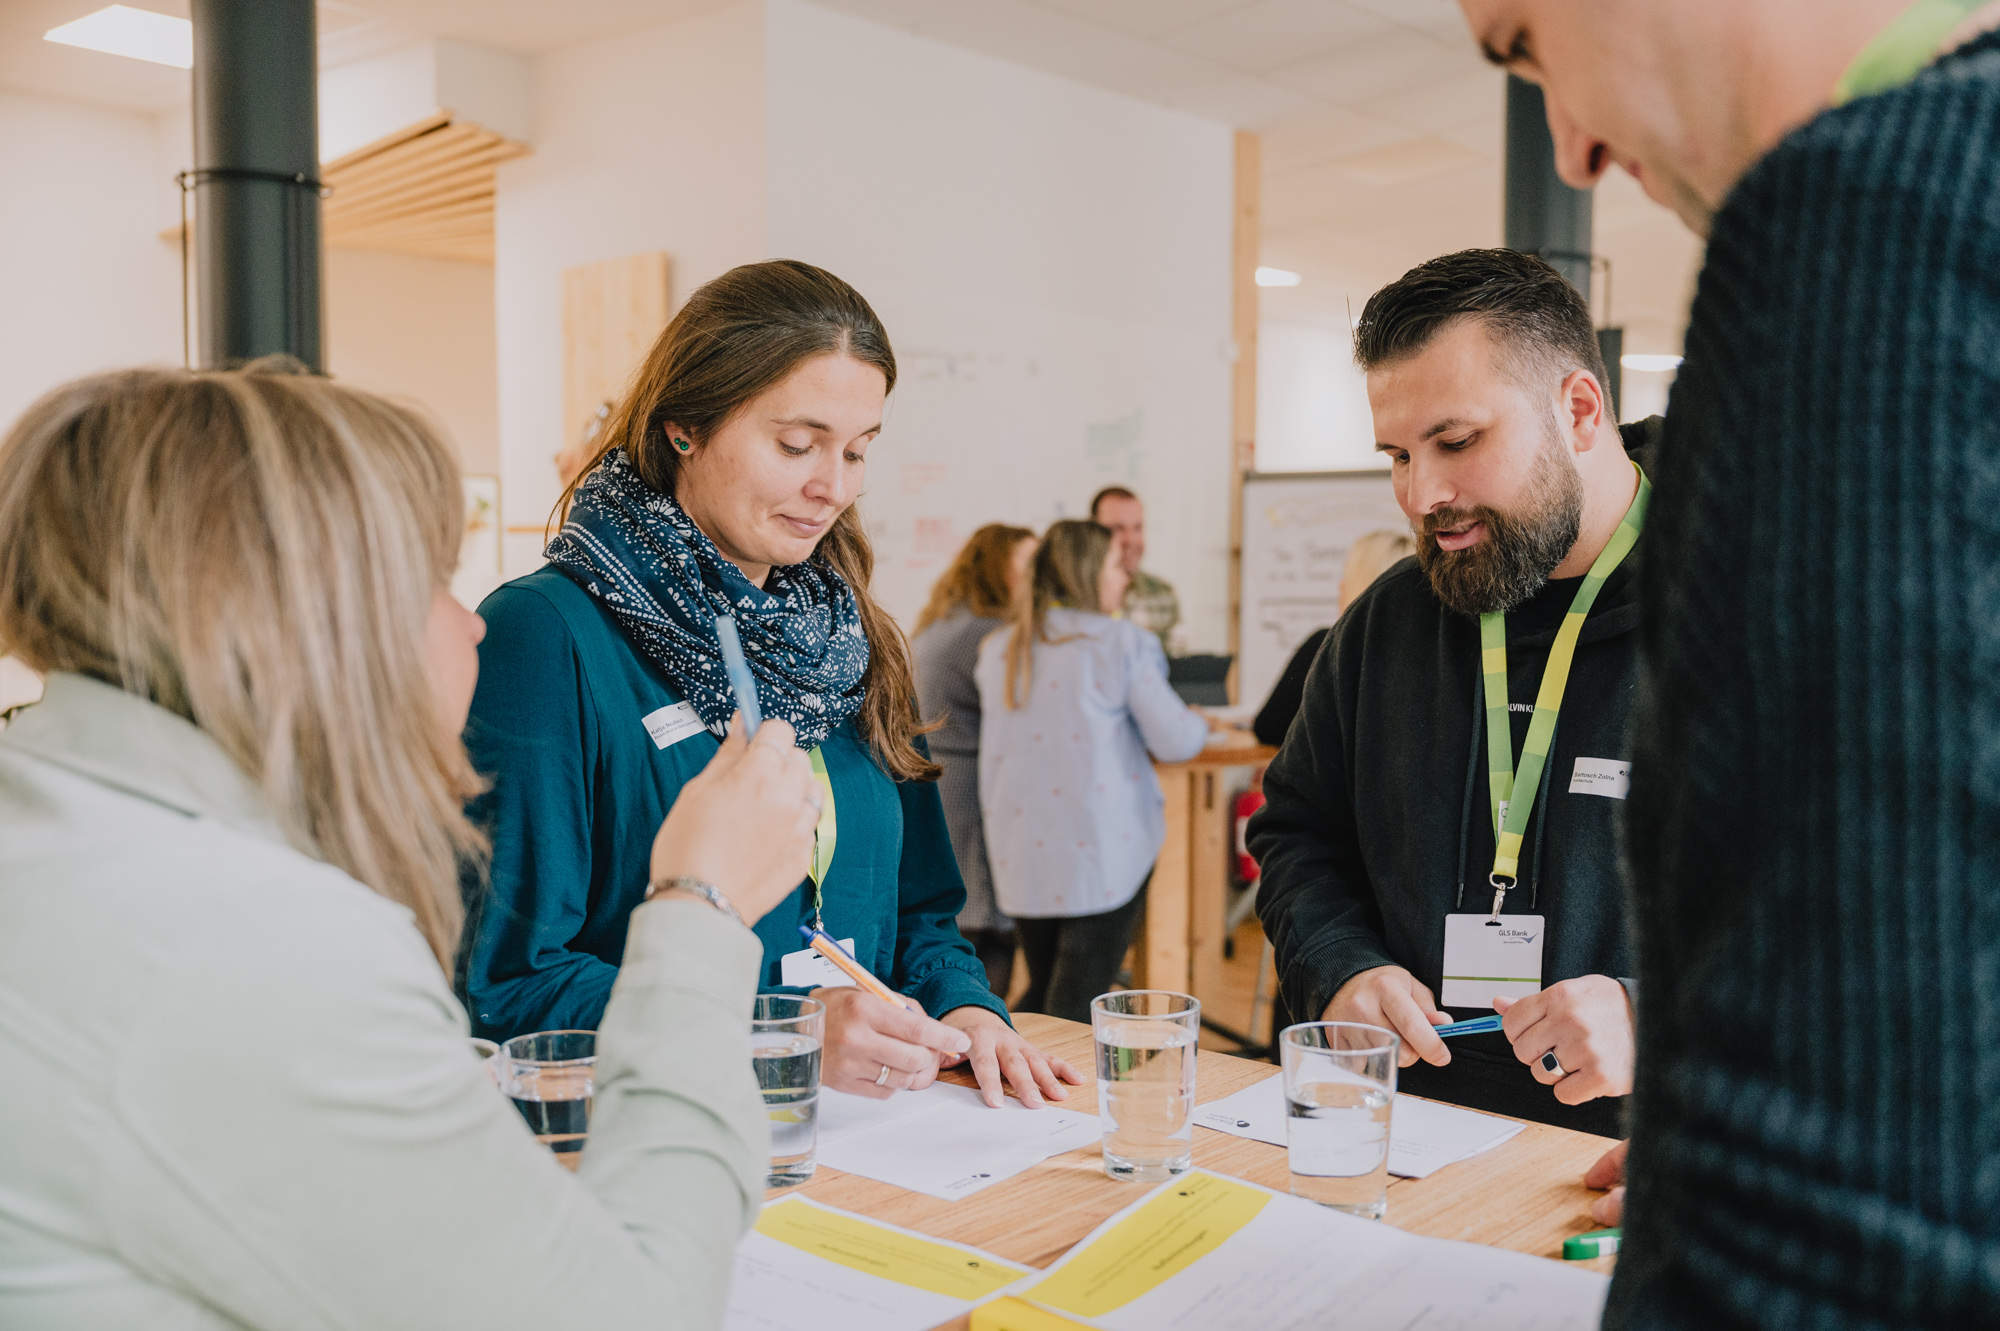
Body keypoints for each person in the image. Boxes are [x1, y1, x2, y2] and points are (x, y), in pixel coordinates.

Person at [0, 363, 825, 1328]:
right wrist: (702, 906)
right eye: (432, 580)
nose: (471, 620)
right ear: (308, 611)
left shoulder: (64, 828)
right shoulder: (248, 942)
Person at [1457, 1, 2000, 1323]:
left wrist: (1749, 1180)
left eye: (1527, 42)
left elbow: (1849, 1210)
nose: (1571, 148)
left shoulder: (1872, 215)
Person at [461, 260, 1082, 1109]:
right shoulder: (545, 635)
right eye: (797, 444)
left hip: (878, 1145)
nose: (833, 486)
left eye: (858, 451)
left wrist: (965, 1007)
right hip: (646, 1139)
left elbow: (925, 915)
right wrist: (776, 1029)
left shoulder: (852, 638)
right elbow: (511, 984)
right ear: (686, 425)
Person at [1249, 248, 1645, 1137]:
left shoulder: (1764, 620)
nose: (1423, 494)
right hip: (1398, 1134)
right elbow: (1298, 833)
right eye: (1397, 454)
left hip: (1643, 1166)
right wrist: (1340, 965)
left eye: (1458, 442)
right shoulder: (1387, 622)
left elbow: (1868, 921)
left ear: (1579, 411)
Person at [975, 519, 1209, 1022]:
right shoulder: (1120, 643)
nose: (1125, 578)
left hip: (1023, 856)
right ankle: (1050, 1089)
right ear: (1086, 573)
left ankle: (1004, 1068)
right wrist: (1198, 723)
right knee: (1075, 1005)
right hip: (1100, 854)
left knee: (1046, 989)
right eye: (1113, 566)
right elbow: (1175, 741)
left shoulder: (1000, 647)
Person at [911, 522, 1039, 996]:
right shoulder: (988, 635)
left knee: (964, 923)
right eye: (1027, 564)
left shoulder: (946, 620)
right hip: (970, 790)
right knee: (989, 931)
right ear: (997, 567)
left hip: (942, 782)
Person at [1251, 529, 1415, 747]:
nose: (1340, 586)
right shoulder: (1432, 654)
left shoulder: (1329, 646)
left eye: (1347, 574)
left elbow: (1269, 728)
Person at [1089, 485, 1179, 651]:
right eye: (1117, 529)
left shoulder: (1162, 593)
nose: (1131, 540)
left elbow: (1175, 666)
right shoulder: (1073, 596)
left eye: (1138, 528)